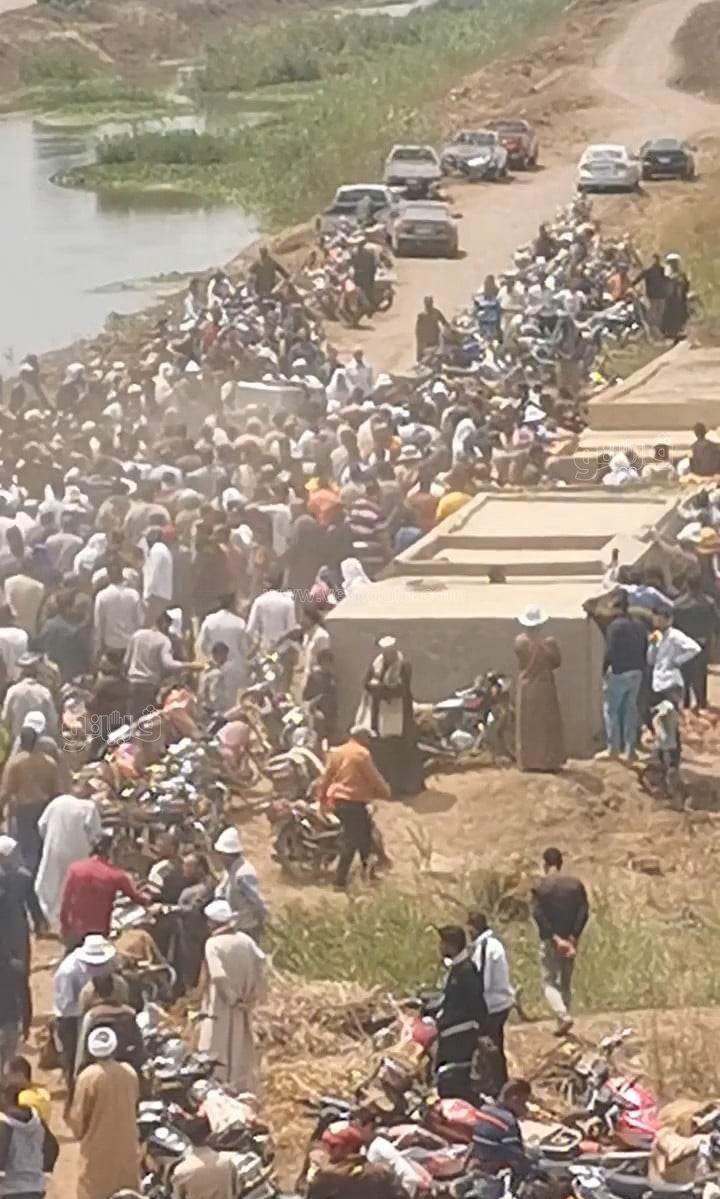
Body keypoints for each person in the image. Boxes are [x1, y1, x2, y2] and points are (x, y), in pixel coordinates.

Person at [197, 900, 267, 1093]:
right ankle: (240, 1087)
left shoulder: (213, 944)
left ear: (212, 923)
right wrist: (252, 995)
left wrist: (232, 998)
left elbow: (218, 975)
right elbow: (261, 965)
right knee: (240, 1046)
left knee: (216, 1044)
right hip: (243, 1003)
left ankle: (217, 1086)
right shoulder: (246, 940)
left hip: (220, 1004)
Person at [70, 1026, 141, 1199]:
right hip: (127, 1149)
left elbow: (79, 1119)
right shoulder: (129, 1072)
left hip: (97, 1151)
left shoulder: (87, 1077)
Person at [53, 935, 127, 1096]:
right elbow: (66, 1007)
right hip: (71, 1020)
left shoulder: (110, 966)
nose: (100, 969)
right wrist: (91, 1011)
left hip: (103, 1016)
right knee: (74, 1060)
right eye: (95, 965)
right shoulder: (67, 973)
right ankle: (75, 1094)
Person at [318, 726, 390, 889]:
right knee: (352, 840)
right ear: (362, 737)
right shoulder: (362, 754)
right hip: (353, 801)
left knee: (364, 837)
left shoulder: (337, 752)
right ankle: (340, 881)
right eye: (368, 738)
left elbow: (326, 776)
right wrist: (385, 791)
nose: (369, 742)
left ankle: (368, 874)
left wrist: (322, 797)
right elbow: (373, 777)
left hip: (337, 801)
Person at [354, 636, 424, 796]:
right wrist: (377, 689)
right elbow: (366, 683)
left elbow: (402, 689)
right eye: (386, 653)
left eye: (390, 653)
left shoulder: (404, 666)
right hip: (379, 714)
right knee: (382, 750)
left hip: (400, 716)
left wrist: (382, 690)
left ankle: (405, 787)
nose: (388, 656)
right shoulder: (376, 665)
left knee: (401, 750)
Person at [532, 847, 589, 1034]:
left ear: (545, 864)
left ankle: (563, 1016)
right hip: (570, 940)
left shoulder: (541, 887)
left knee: (549, 982)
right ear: (560, 863)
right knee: (565, 982)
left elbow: (539, 916)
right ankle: (564, 1021)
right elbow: (583, 912)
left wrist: (556, 938)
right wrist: (573, 937)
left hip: (551, 941)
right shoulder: (575, 885)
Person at [59, 832, 148, 949]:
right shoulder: (116, 875)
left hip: (76, 929)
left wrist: (65, 925)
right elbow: (137, 898)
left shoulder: (75, 869)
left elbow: (66, 901)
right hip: (100, 932)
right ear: (110, 850)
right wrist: (152, 897)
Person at [0, 726, 60, 877]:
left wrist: (1, 809)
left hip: (24, 810)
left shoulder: (15, 763)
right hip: (44, 809)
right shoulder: (49, 762)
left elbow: (6, 791)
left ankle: (27, 879)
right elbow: (56, 791)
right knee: (41, 846)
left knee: (26, 848)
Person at [435, 925, 484, 1103]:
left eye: (442, 943)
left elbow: (475, 1004)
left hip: (460, 1034)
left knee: (454, 1077)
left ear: (451, 945)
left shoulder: (467, 971)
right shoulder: (456, 969)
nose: (440, 947)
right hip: (450, 1032)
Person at [514, 606, 566, 773]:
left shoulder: (520, 641)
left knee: (527, 725)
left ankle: (528, 761)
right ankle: (548, 761)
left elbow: (520, 660)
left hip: (526, 686)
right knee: (546, 724)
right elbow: (557, 662)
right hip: (544, 686)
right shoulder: (548, 643)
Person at [599, 590, 648, 761]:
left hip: (619, 672)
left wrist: (604, 670)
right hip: (636, 672)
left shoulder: (614, 627)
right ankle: (630, 750)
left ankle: (612, 749)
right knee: (630, 711)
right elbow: (645, 648)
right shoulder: (640, 625)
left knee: (611, 710)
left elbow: (610, 651)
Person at [468, 911, 514, 1087]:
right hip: (500, 1002)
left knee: (488, 1045)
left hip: (492, 1004)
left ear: (473, 928)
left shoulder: (485, 948)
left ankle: (494, 1083)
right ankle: (500, 1082)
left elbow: (483, 981)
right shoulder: (492, 944)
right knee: (495, 1044)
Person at [0, 1076, 58, 1199]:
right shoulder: (37, 1120)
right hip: (35, 1188)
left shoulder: (4, 1123)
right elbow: (53, 1147)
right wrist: (44, 1171)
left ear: (3, 1096)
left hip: (11, 1190)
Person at [124, 611, 186, 720]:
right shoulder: (163, 640)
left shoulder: (137, 635)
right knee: (147, 721)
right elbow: (168, 664)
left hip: (132, 684)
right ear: (165, 624)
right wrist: (188, 665)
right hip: (149, 686)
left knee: (133, 720)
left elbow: (126, 662)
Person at [470, 1079, 533, 1183]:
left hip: (479, 1159)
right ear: (515, 1099)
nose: (525, 1107)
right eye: (523, 1102)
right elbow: (517, 1156)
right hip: (494, 1166)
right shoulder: (508, 1121)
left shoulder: (484, 1110)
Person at [213, 827, 267, 939]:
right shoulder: (229, 870)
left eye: (220, 854)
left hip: (245, 927)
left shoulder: (244, 874)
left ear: (228, 855)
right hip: (232, 923)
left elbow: (255, 903)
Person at [198, 594, 249, 704]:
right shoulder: (240, 623)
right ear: (232, 604)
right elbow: (245, 648)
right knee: (232, 703)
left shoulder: (209, 621)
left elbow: (202, 645)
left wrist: (212, 656)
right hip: (235, 669)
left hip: (214, 666)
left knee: (212, 700)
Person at [93, 559, 143, 659]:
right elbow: (139, 622)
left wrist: (97, 649)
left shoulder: (102, 596)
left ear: (108, 575)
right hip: (129, 645)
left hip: (111, 646)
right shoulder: (134, 595)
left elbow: (98, 625)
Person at [1, 655, 57, 743]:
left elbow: (5, 720)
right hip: (40, 745)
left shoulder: (13, 691)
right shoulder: (45, 693)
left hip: (19, 744)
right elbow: (53, 724)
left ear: (22, 673)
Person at [648, 608, 701, 702]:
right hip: (657, 683)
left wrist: (677, 660)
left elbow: (695, 648)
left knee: (672, 709)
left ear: (669, 620)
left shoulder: (675, 635)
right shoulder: (656, 636)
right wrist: (653, 645)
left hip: (671, 682)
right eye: (655, 620)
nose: (658, 623)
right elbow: (650, 661)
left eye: (660, 620)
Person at [6, 1057, 51, 1126]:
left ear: (19, 1076)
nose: (7, 1082)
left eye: (8, 1076)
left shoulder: (24, 1098)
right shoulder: (42, 1093)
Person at [633, 254, 667, 335]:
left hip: (660, 294)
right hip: (654, 295)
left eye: (657, 260)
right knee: (655, 311)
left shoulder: (662, 270)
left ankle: (656, 329)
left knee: (658, 311)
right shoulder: (650, 271)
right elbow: (638, 279)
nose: (656, 262)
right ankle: (652, 328)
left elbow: (669, 279)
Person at [415, 296, 449, 362]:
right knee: (425, 357)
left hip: (435, 338)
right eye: (427, 304)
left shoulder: (436, 312)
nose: (428, 306)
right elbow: (418, 330)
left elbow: (444, 322)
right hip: (426, 340)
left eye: (430, 303)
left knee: (436, 355)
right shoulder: (421, 315)